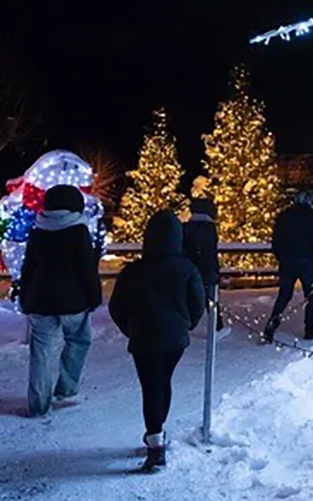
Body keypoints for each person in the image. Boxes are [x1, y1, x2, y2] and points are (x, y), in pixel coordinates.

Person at [109, 210, 205, 472]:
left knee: (150, 386)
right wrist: (186, 325)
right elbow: (198, 304)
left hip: (143, 336)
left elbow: (117, 307)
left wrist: (131, 328)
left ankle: (155, 442)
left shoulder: (133, 271)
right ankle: (158, 433)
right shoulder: (186, 268)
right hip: (175, 338)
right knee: (163, 381)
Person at [20, 184, 103, 418]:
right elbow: (86, 268)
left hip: (40, 300)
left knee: (42, 353)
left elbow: (29, 268)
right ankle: (66, 389)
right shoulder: (78, 232)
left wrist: (25, 297)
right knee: (79, 340)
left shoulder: (38, 230)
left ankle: (38, 405)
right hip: (73, 301)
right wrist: (94, 296)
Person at [263, 191, 313, 342]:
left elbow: (276, 240)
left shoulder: (284, 217)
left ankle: (272, 323)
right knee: (310, 296)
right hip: (307, 261)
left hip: (287, 261)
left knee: (284, 294)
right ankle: (309, 329)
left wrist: (281, 256)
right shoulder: (312, 218)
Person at [183, 197, 224, 332]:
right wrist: (214, 271)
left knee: (188, 297)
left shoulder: (185, 228)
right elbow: (210, 253)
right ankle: (217, 326)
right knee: (211, 300)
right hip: (206, 271)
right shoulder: (208, 229)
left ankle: (185, 324)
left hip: (188, 269)